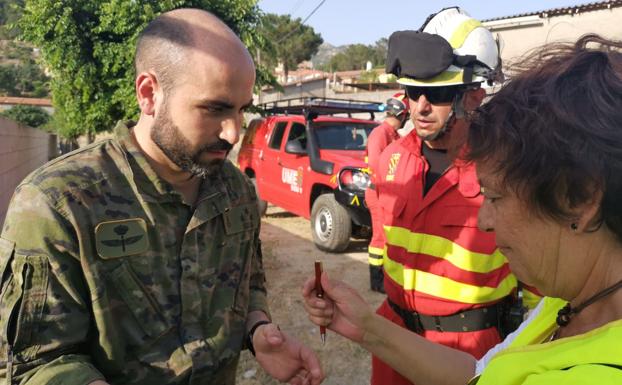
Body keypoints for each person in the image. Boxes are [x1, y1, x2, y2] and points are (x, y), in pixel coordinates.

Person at [0, 9, 323, 385]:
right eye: (214, 108)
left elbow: (249, 283)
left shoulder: (236, 191)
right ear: (149, 93)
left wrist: (258, 329)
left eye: (241, 110)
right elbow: (39, 362)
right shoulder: (58, 203)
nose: (234, 133)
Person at [303, 34, 622, 385]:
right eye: (412, 92)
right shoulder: (565, 307)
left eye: (495, 197)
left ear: (578, 199)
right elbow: (482, 374)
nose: (484, 219)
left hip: (467, 337)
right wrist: (368, 324)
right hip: (400, 334)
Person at [372, 7, 540, 385]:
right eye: (413, 92)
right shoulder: (393, 157)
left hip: (467, 351)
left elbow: (541, 285)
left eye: (437, 94)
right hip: (393, 336)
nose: (419, 107)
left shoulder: (507, 173)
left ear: (474, 96)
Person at [365, 93, 410, 293]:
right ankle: (376, 280)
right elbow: (376, 167)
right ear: (401, 114)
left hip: (389, 193)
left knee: (389, 234)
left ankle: (386, 275)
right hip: (378, 192)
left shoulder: (394, 135)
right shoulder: (380, 134)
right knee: (380, 236)